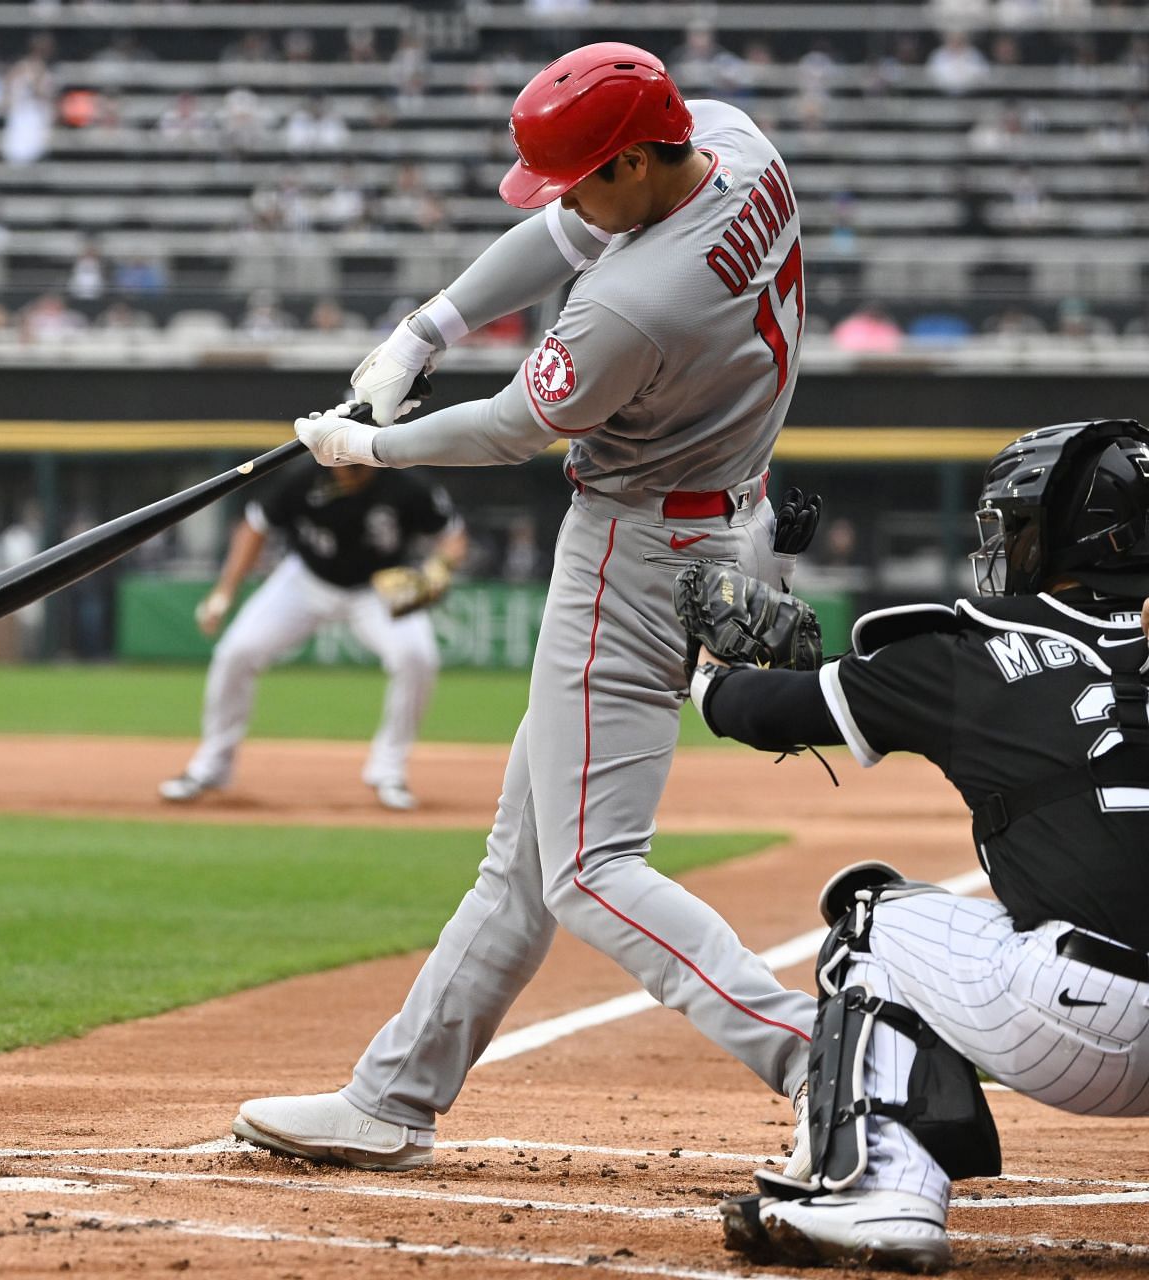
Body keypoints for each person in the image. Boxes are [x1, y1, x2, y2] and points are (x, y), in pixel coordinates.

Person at [235, 44, 821, 1172]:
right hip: (709, 512)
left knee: (591, 865)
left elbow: (511, 428)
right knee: (525, 856)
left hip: (637, 546)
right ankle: (393, 1094)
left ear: (642, 161)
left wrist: (368, 442)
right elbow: (564, 231)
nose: (569, 201)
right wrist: (425, 330)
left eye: (587, 176)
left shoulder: (635, 304)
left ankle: (821, 1053)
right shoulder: (735, 142)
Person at [683, 419, 1149, 1271]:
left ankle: (883, 1193)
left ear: (1059, 539)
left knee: (873, 916)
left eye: (1015, 526)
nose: (1004, 545)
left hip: (1089, 1028)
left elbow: (765, 712)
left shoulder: (972, 651)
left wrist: (708, 664)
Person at [160, 458, 467, 814]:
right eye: (341, 463)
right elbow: (254, 528)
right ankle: (211, 766)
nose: (347, 471)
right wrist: (224, 592)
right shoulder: (302, 477)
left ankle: (389, 769)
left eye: (356, 465)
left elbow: (454, 538)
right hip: (306, 580)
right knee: (236, 652)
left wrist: (436, 573)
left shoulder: (407, 483)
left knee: (418, 657)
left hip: (380, 587)